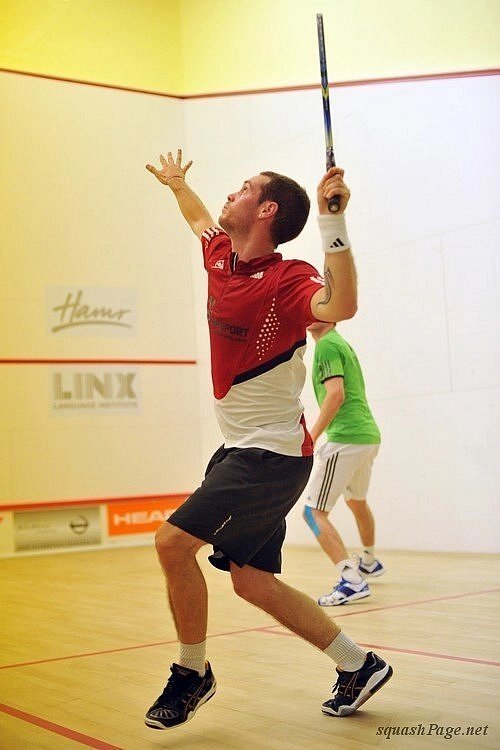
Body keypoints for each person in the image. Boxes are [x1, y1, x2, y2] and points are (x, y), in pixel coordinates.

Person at [144, 149, 392, 729]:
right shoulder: (220, 255)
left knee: (172, 544)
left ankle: (191, 673)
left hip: (271, 455)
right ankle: (358, 664)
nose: (231, 193)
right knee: (253, 582)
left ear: (267, 210)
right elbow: (197, 216)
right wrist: (177, 184)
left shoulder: (289, 279)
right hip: (242, 450)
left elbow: (341, 304)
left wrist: (333, 222)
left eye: (244, 188)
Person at [303, 321, 385, 606]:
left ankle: (352, 580)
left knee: (313, 513)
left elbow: (336, 394)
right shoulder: (339, 343)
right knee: (357, 502)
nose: (310, 312)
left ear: (333, 315)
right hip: (367, 436)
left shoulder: (326, 345)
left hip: (346, 439)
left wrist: (312, 436)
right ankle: (369, 561)